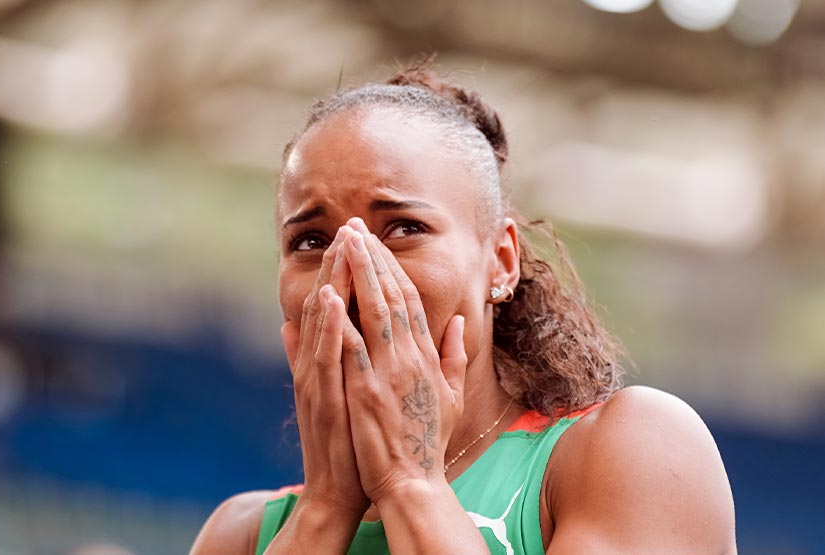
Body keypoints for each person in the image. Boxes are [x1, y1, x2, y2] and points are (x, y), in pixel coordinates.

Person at [190, 63, 736, 555]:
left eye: (404, 228)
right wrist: (326, 506)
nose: (355, 269)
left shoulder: (634, 453)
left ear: (501, 261)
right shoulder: (241, 535)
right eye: (311, 241)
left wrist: (409, 483)